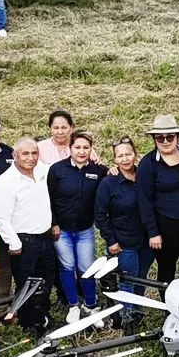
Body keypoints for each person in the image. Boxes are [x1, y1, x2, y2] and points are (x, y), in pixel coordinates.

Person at [0, 137, 55, 335]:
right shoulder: (6, 182)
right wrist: (14, 243)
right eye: (25, 154)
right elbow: (2, 218)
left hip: (45, 237)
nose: (30, 158)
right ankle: (29, 323)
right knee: (26, 284)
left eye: (34, 153)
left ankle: (43, 316)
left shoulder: (43, 171)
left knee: (46, 280)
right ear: (15, 156)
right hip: (24, 241)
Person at [48, 131, 108, 325]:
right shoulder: (57, 170)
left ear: (91, 149)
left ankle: (91, 305)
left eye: (86, 147)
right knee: (67, 267)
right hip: (62, 231)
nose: (82, 151)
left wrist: (114, 170)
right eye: (77, 147)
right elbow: (48, 199)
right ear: (70, 148)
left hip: (85, 230)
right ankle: (73, 305)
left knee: (86, 268)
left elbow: (110, 185)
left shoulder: (98, 171)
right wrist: (53, 224)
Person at [137, 115, 179, 283]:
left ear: (177, 136)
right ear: (154, 139)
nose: (165, 141)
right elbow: (144, 201)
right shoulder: (148, 163)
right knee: (167, 270)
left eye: (170, 137)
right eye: (159, 137)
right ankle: (168, 308)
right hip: (166, 226)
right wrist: (153, 232)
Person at [97, 137, 155, 328]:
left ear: (135, 154)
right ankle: (126, 315)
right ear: (114, 159)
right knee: (127, 279)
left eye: (128, 154)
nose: (125, 159)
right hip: (123, 241)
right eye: (120, 156)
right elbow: (100, 214)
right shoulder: (109, 183)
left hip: (146, 239)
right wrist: (111, 240)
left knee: (141, 276)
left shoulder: (144, 176)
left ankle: (138, 308)